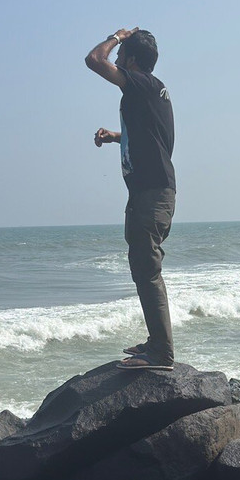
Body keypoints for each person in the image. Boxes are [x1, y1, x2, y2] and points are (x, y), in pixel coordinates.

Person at [86, 27, 176, 370]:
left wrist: (117, 36)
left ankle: (162, 354)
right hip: (148, 192)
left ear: (132, 61)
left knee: (147, 270)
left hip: (153, 193)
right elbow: (149, 135)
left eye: (123, 56)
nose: (118, 61)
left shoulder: (141, 83)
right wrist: (114, 137)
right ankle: (156, 343)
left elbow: (95, 60)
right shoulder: (152, 92)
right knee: (143, 268)